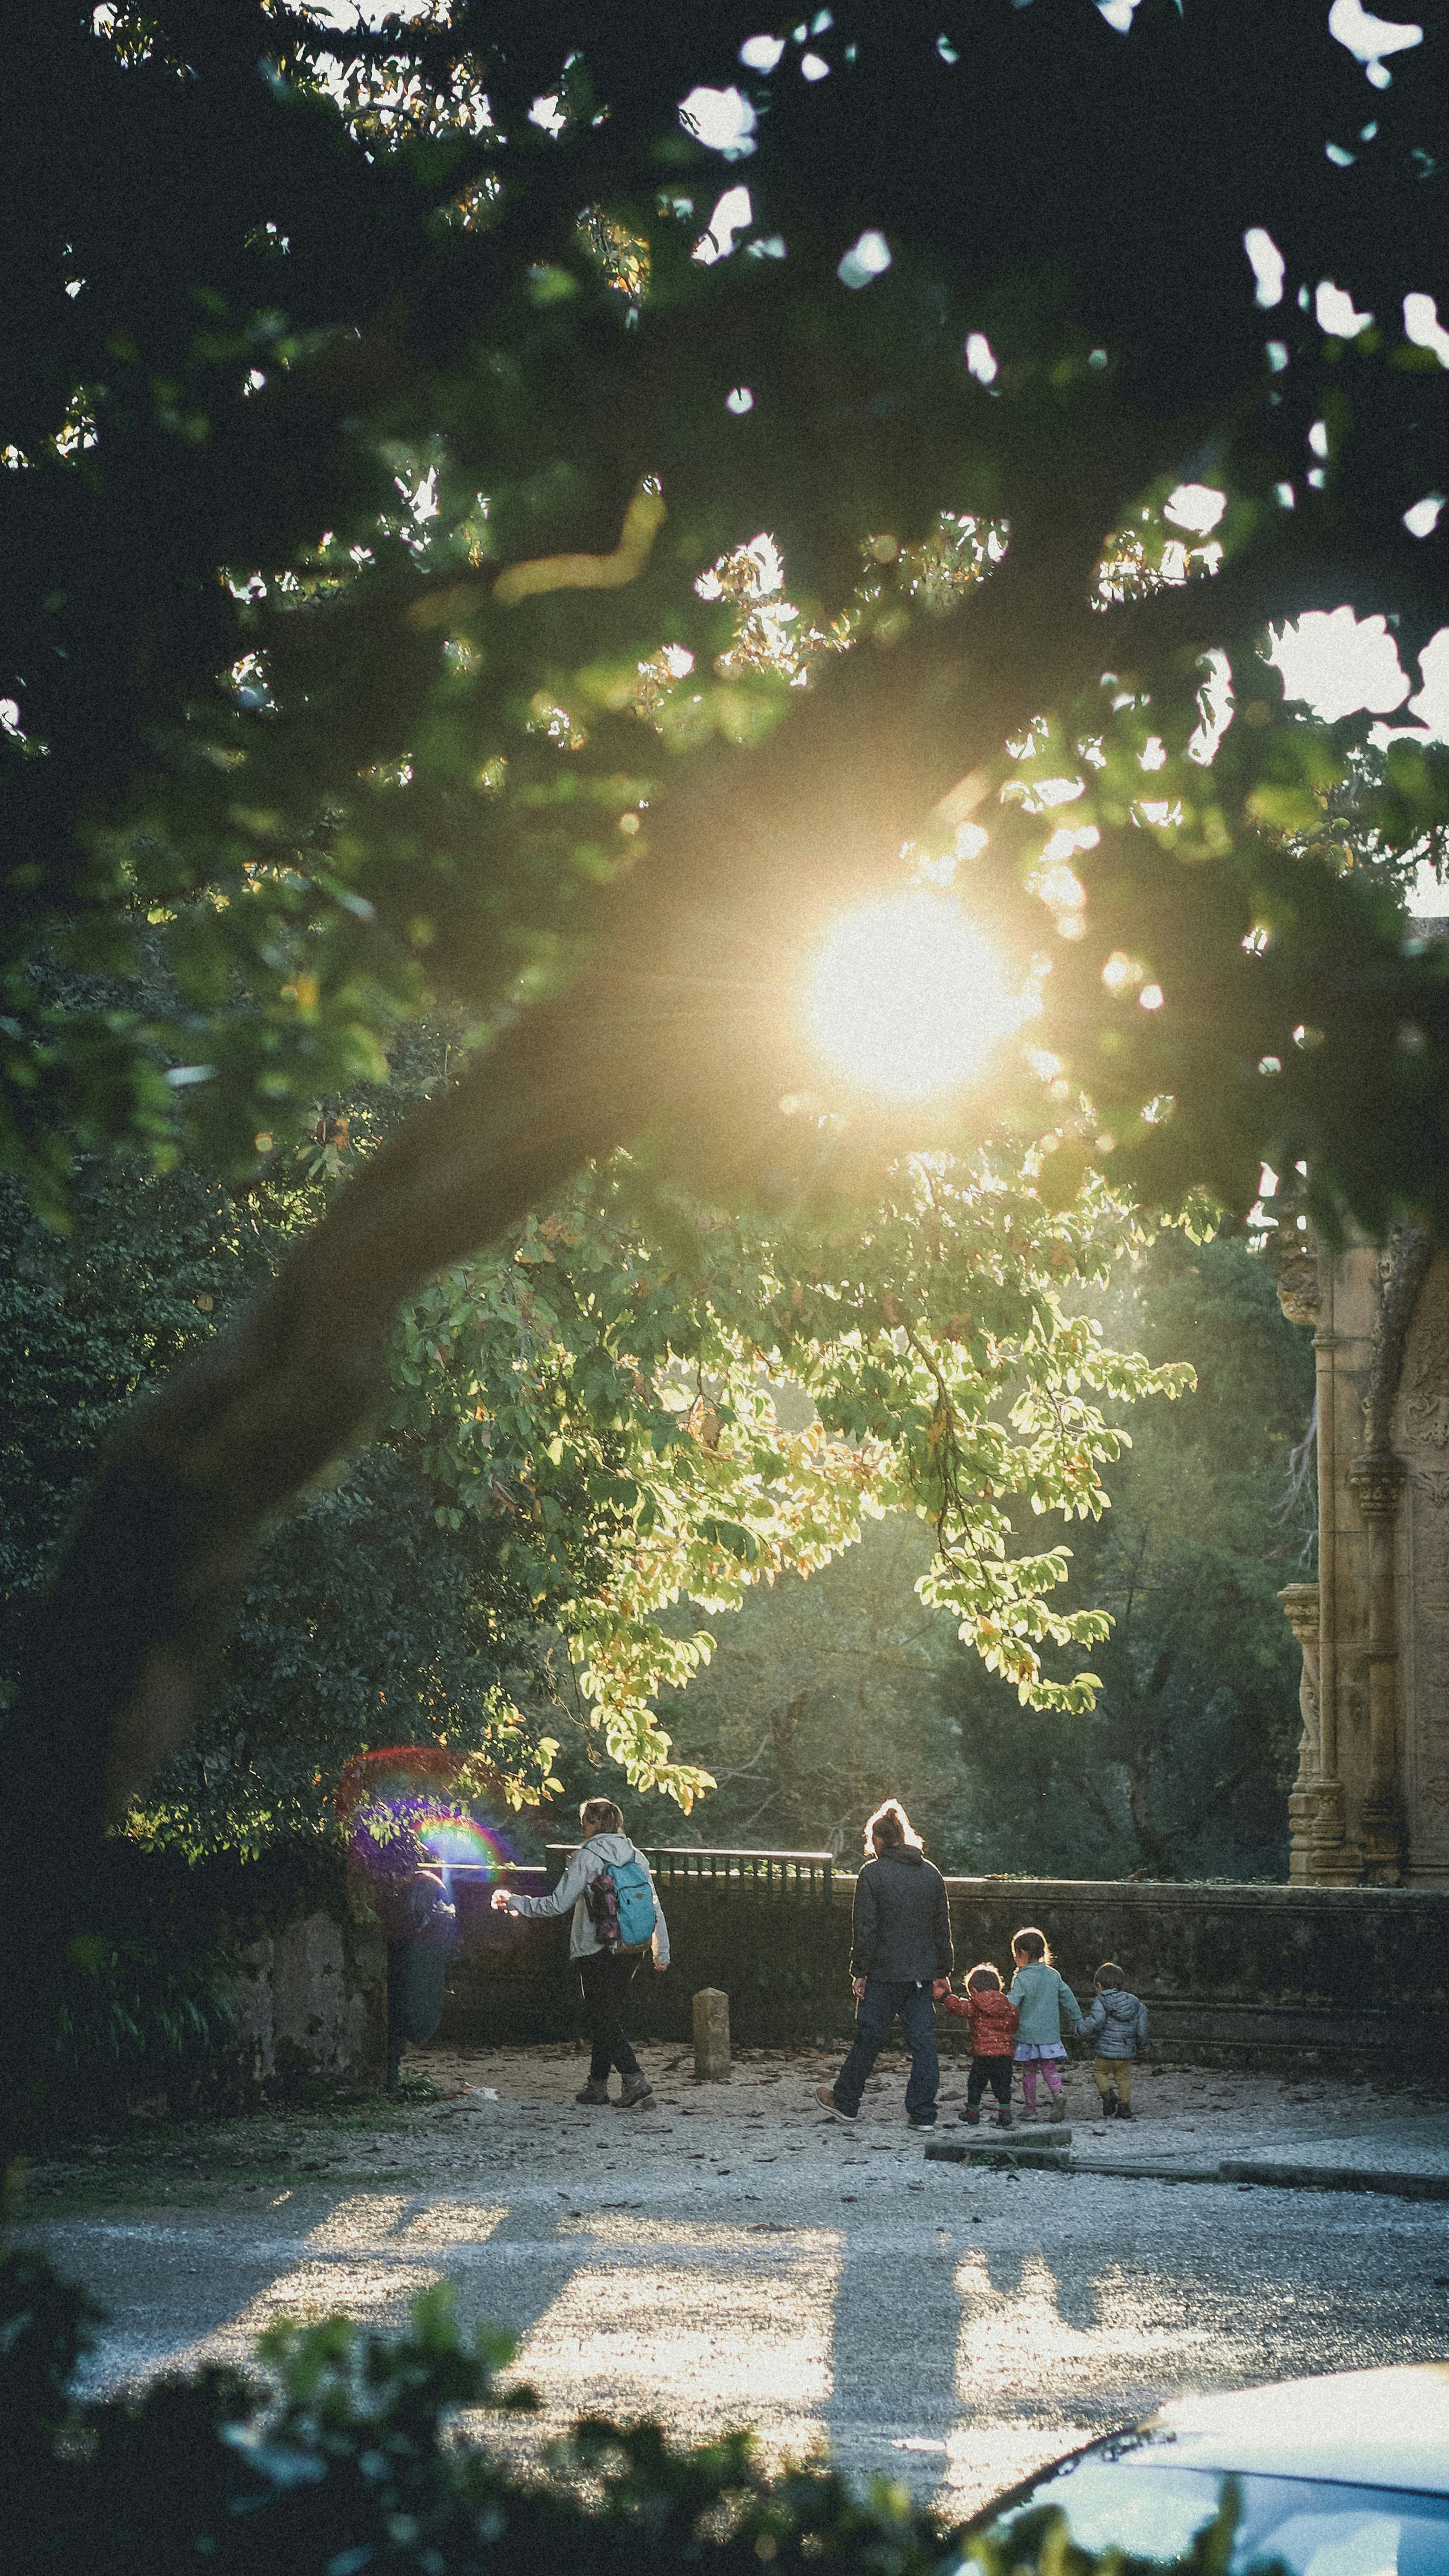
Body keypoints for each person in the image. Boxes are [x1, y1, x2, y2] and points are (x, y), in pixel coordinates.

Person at [492, 1798, 669, 2107]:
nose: (583, 1826)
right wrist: (661, 1950)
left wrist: (518, 1902)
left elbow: (558, 1903)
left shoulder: (586, 1858)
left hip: (596, 1946)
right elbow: (653, 1905)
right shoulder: (637, 1856)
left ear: (597, 1823)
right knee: (607, 2016)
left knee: (601, 2016)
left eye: (586, 1821)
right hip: (633, 1946)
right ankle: (597, 2086)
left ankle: (634, 2078)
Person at [815, 1799, 954, 2130]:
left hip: (882, 1973)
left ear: (877, 1839)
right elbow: (941, 1927)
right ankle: (923, 2113)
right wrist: (943, 1972)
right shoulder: (930, 1873)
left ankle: (847, 2101)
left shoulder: (872, 1874)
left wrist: (859, 1972)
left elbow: (865, 1928)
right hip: (920, 1974)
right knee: (923, 2044)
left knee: (869, 2039)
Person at [1009, 1925, 1081, 2124]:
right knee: (1050, 2069)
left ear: (1023, 1953)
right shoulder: (1053, 1975)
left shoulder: (1022, 1978)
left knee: (1029, 2072)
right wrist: (1077, 2019)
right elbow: (1069, 1998)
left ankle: (1030, 2109)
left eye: (1015, 1955)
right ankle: (1058, 2094)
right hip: (1050, 2034)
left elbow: (1012, 2003)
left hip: (1028, 2035)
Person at [940, 1962, 1019, 2128]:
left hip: (983, 2055)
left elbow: (958, 2007)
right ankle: (1005, 2114)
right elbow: (1014, 2027)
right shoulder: (1009, 2007)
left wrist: (945, 1996)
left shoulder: (975, 2006)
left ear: (974, 1991)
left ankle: (973, 2113)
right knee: (1003, 2086)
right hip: (1005, 2055)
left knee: (976, 2085)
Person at [1075, 1961, 1149, 2120]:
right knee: (1123, 2078)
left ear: (1099, 1986)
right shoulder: (1137, 2005)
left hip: (1105, 2053)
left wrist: (1080, 2029)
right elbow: (1143, 2029)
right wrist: (1143, 2046)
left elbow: (1097, 2022)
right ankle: (1125, 2107)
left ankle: (1108, 2094)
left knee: (1099, 2072)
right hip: (1126, 2053)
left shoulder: (1101, 2001)